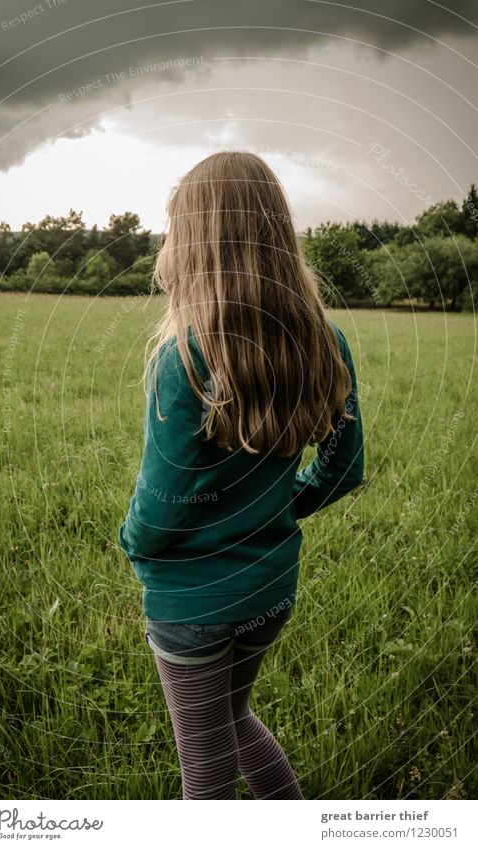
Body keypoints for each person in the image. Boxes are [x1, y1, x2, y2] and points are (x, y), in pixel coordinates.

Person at [118, 150, 364, 800]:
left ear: (194, 241)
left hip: (191, 601)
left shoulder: (184, 358)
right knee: (233, 716)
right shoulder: (325, 341)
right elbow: (345, 466)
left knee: (203, 767)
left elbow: (160, 506)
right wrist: (285, 504)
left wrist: (133, 543)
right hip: (270, 591)